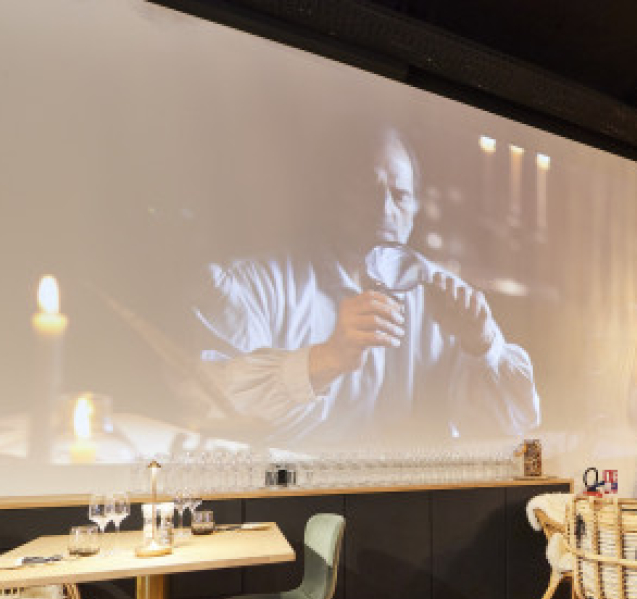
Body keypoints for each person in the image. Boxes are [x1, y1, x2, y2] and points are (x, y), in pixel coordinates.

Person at [193, 128, 540, 443]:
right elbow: (212, 405)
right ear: (332, 196)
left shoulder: (446, 293)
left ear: (416, 209)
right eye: (368, 190)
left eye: (400, 196)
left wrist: (482, 345)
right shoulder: (251, 285)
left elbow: (513, 425)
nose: (385, 209)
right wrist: (326, 358)